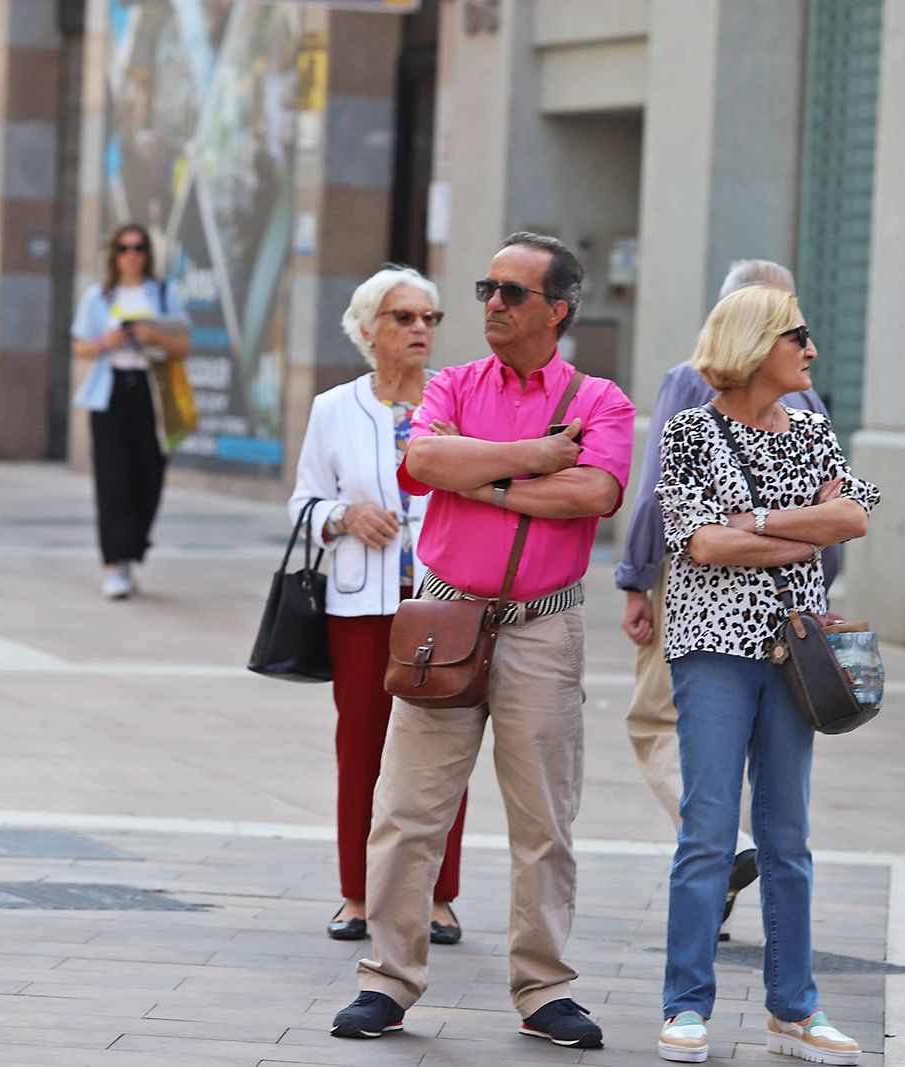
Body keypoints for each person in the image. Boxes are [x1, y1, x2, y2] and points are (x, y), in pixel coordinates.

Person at [330, 233, 635, 1051]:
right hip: (445, 615)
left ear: (558, 310)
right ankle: (386, 981)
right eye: (487, 289)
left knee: (545, 818)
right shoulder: (456, 383)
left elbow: (594, 490)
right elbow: (424, 457)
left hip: (544, 624)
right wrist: (533, 458)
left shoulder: (601, 398)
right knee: (406, 810)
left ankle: (544, 990)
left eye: (512, 292)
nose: (492, 305)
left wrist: (487, 475)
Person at [652, 285, 879, 1064]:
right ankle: (686, 1004)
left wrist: (752, 524)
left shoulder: (815, 432)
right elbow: (701, 548)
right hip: (712, 645)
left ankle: (795, 1006)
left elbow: (849, 519)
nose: (812, 350)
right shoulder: (689, 432)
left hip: (793, 652)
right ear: (754, 345)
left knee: (788, 835)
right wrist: (793, 531)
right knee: (709, 829)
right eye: (798, 337)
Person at [617, 259, 837, 940]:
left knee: (658, 722)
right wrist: (812, 566)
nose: (803, 346)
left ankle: (727, 847)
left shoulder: (692, 381)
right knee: (763, 763)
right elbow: (828, 525)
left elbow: (662, 496)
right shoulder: (806, 398)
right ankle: (729, 871)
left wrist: (635, 576)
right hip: (788, 602)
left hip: (701, 601)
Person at [288, 265, 467, 947]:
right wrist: (344, 515)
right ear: (368, 329)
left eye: (429, 318)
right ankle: (358, 895)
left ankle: (439, 896)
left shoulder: (454, 403)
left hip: (443, 604)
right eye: (404, 317)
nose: (420, 328)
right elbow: (303, 502)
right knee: (361, 749)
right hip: (361, 606)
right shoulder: (336, 407)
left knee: (444, 750)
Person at [70, 223, 191, 599]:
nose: (131, 255)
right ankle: (114, 564)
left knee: (149, 477)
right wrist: (105, 342)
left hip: (151, 393)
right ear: (114, 254)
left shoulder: (163, 292)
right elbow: (79, 347)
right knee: (112, 481)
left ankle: (132, 548)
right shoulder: (98, 297)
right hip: (110, 392)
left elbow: (183, 344)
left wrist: (154, 337)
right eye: (124, 248)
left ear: (147, 254)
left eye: (138, 248)